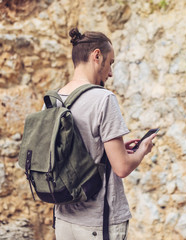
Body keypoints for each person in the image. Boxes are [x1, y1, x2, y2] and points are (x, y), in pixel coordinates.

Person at [54, 27, 156, 240]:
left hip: (63, 220)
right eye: (110, 63)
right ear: (96, 55)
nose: (110, 73)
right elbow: (122, 167)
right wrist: (142, 150)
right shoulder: (103, 99)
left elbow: (75, 152)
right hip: (98, 223)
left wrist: (115, 149)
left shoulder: (54, 99)